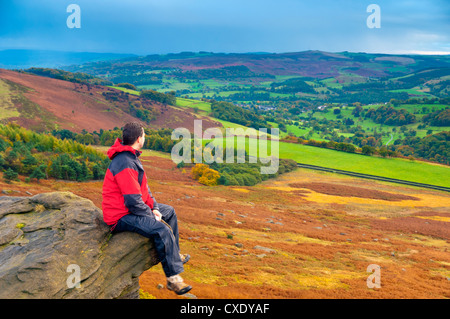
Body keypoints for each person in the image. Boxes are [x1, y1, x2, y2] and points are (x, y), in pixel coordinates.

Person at [102, 122, 192, 295]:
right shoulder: (125, 162)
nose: (144, 138)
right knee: (161, 230)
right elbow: (132, 201)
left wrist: (156, 208)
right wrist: (151, 216)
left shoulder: (130, 157)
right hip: (120, 216)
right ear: (138, 139)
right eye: (144, 135)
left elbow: (144, 190)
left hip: (130, 209)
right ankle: (174, 280)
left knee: (169, 212)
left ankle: (175, 254)